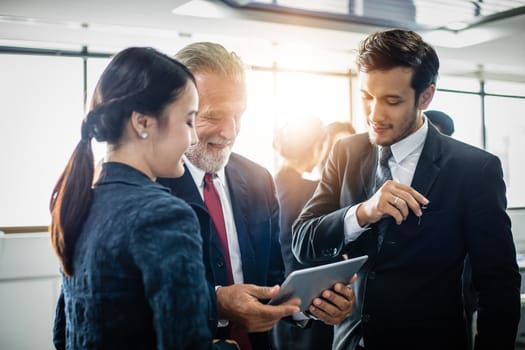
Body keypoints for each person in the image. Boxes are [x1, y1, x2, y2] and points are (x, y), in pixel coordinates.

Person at [292, 29, 521, 350]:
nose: (374, 115)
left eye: (392, 101)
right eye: (367, 97)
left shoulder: (474, 169)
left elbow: (499, 284)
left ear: (425, 97)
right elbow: (303, 240)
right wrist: (362, 213)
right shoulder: (346, 152)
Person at [158, 42, 355, 350]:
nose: (230, 131)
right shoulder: (149, 185)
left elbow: (275, 280)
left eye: (239, 115)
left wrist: (312, 306)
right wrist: (218, 303)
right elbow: (134, 299)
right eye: (214, 116)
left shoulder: (257, 179)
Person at [50, 47, 236, 349]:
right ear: (143, 123)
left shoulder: (79, 201)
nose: (191, 138)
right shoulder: (164, 214)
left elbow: (63, 335)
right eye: (188, 121)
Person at [271, 116, 336, 349]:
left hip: (279, 298)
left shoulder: (272, 181)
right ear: (318, 146)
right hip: (307, 299)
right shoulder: (310, 191)